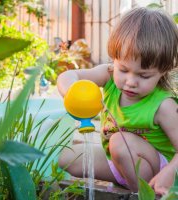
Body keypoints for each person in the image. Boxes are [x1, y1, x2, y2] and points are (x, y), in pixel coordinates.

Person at [57, 7, 178, 196]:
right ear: (115, 59)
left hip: (157, 174)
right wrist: (73, 93)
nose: (130, 82)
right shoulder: (109, 75)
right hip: (118, 162)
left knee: (119, 143)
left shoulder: (164, 106)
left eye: (144, 75)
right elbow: (69, 76)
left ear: (164, 69)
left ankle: (144, 195)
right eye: (123, 69)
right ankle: (128, 183)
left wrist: (170, 173)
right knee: (66, 156)